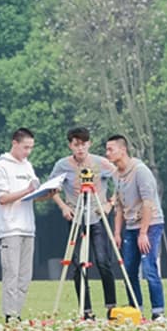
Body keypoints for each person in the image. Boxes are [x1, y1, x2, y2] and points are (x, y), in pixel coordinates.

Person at [49, 127, 117, 320]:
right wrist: (63, 207)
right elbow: (51, 188)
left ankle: (111, 307)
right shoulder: (62, 165)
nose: (80, 148)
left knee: (103, 261)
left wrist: (110, 204)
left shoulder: (101, 163)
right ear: (70, 145)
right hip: (76, 218)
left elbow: (121, 180)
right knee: (78, 264)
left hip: (98, 216)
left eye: (84, 144)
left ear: (89, 144)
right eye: (76, 144)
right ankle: (86, 310)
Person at [105, 134, 166, 321]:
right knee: (129, 270)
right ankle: (135, 309)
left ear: (123, 150)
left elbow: (148, 203)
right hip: (130, 226)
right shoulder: (116, 175)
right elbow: (119, 206)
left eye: (110, 149)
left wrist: (143, 233)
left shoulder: (140, 171)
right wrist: (117, 233)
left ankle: (158, 311)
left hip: (150, 224)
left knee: (149, 269)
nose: (107, 153)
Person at [0, 128, 43, 323]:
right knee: (11, 273)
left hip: (28, 226)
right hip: (9, 227)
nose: (28, 152)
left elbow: (32, 195)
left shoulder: (28, 167)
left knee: (25, 276)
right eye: (25, 147)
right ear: (15, 143)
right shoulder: (2, 167)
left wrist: (45, 193)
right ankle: (10, 315)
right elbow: (3, 198)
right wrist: (27, 190)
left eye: (31, 148)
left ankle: (18, 313)